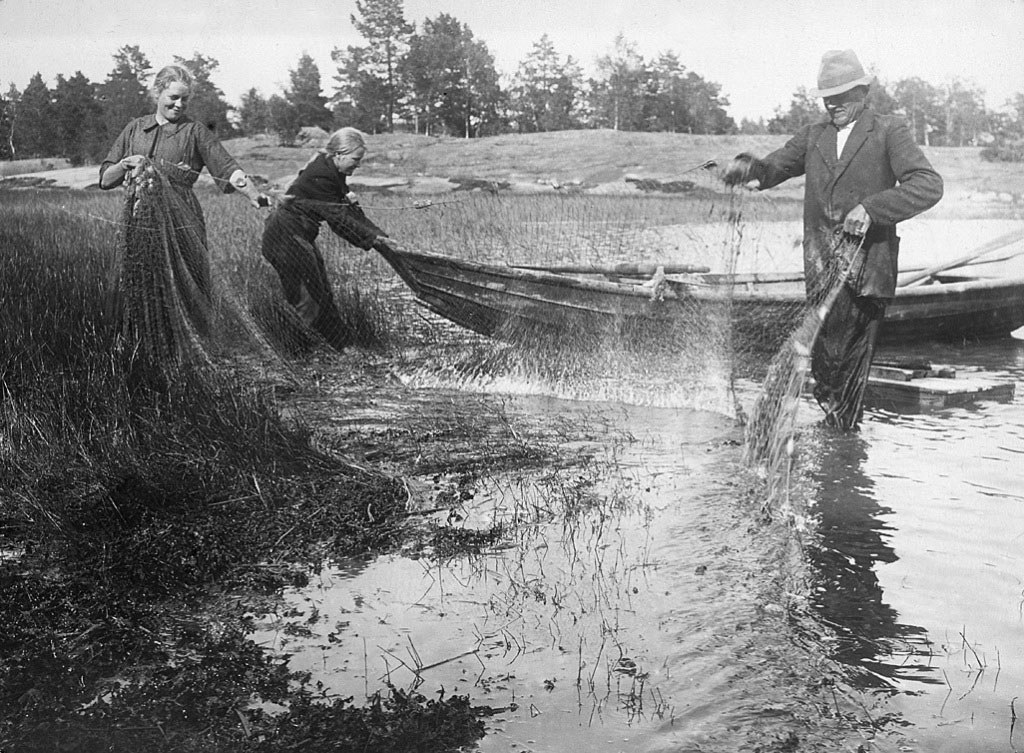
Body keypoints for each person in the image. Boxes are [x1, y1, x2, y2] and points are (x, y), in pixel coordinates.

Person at [723, 49, 943, 430]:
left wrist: (873, 209)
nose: (831, 103)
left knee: (848, 372)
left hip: (865, 276)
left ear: (862, 92)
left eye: (840, 95)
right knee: (826, 373)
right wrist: (746, 170)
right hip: (823, 274)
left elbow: (928, 185)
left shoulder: (889, 130)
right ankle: (838, 445)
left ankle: (843, 458)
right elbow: (772, 167)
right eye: (826, 95)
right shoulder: (814, 135)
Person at [99, 64, 268, 363]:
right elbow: (105, 179)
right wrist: (126, 163)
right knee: (137, 283)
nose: (179, 105)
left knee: (184, 281)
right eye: (173, 97)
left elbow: (228, 169)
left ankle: (186, 357)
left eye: (185, 100)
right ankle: (139, 352)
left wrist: (253, 194)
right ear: (157, 92)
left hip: (182, 222)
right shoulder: (134, 129)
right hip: (138, 222)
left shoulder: (195, 132)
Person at [260, 127, 387, 350]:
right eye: (356, 159)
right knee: (308, 300)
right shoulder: (323, 175)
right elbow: (340, 221)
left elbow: (345, 212)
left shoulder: (329, 168)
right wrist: (376, 240)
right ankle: (303, 355)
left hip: (294, 234)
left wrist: (380, 237)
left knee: (322, 295)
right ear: (339, 154)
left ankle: (337, 348)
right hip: (285, 236)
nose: (358, 165)